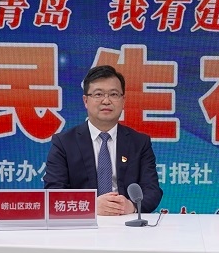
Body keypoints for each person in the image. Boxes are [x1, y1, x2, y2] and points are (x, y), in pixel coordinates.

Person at [44, 65, 163, 215]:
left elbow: (152, 190)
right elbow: (53, 192)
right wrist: (90, 205)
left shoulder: (139, 143)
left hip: (126, 221)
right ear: (86, 100)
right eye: (98, 94)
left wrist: (132, 206)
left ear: (123, 100)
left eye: (113, 94)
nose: (106, 101)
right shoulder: (64, 143)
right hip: (83, 222)